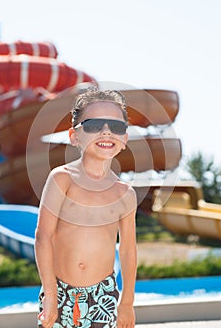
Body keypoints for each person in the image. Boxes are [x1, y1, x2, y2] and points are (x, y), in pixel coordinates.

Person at [35, 87, 137, 328]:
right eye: (93, 125)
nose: (106, 132)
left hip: (103, 294)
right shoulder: (62, 179)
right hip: (59, 291)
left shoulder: (124, 194)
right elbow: (43, 237)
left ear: (124, 139)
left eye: (116, 127)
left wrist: (126, 303)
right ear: (74, 136)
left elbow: (128, 251)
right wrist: (50, 294)